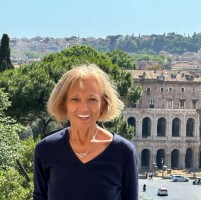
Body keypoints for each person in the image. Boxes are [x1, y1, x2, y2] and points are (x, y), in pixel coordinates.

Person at [33, 64, 138, 200]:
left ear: (103, 104)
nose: (84, 107)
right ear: (64, 103)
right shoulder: (46, 150)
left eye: (92, 99)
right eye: (75, 99)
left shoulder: (124, 152)